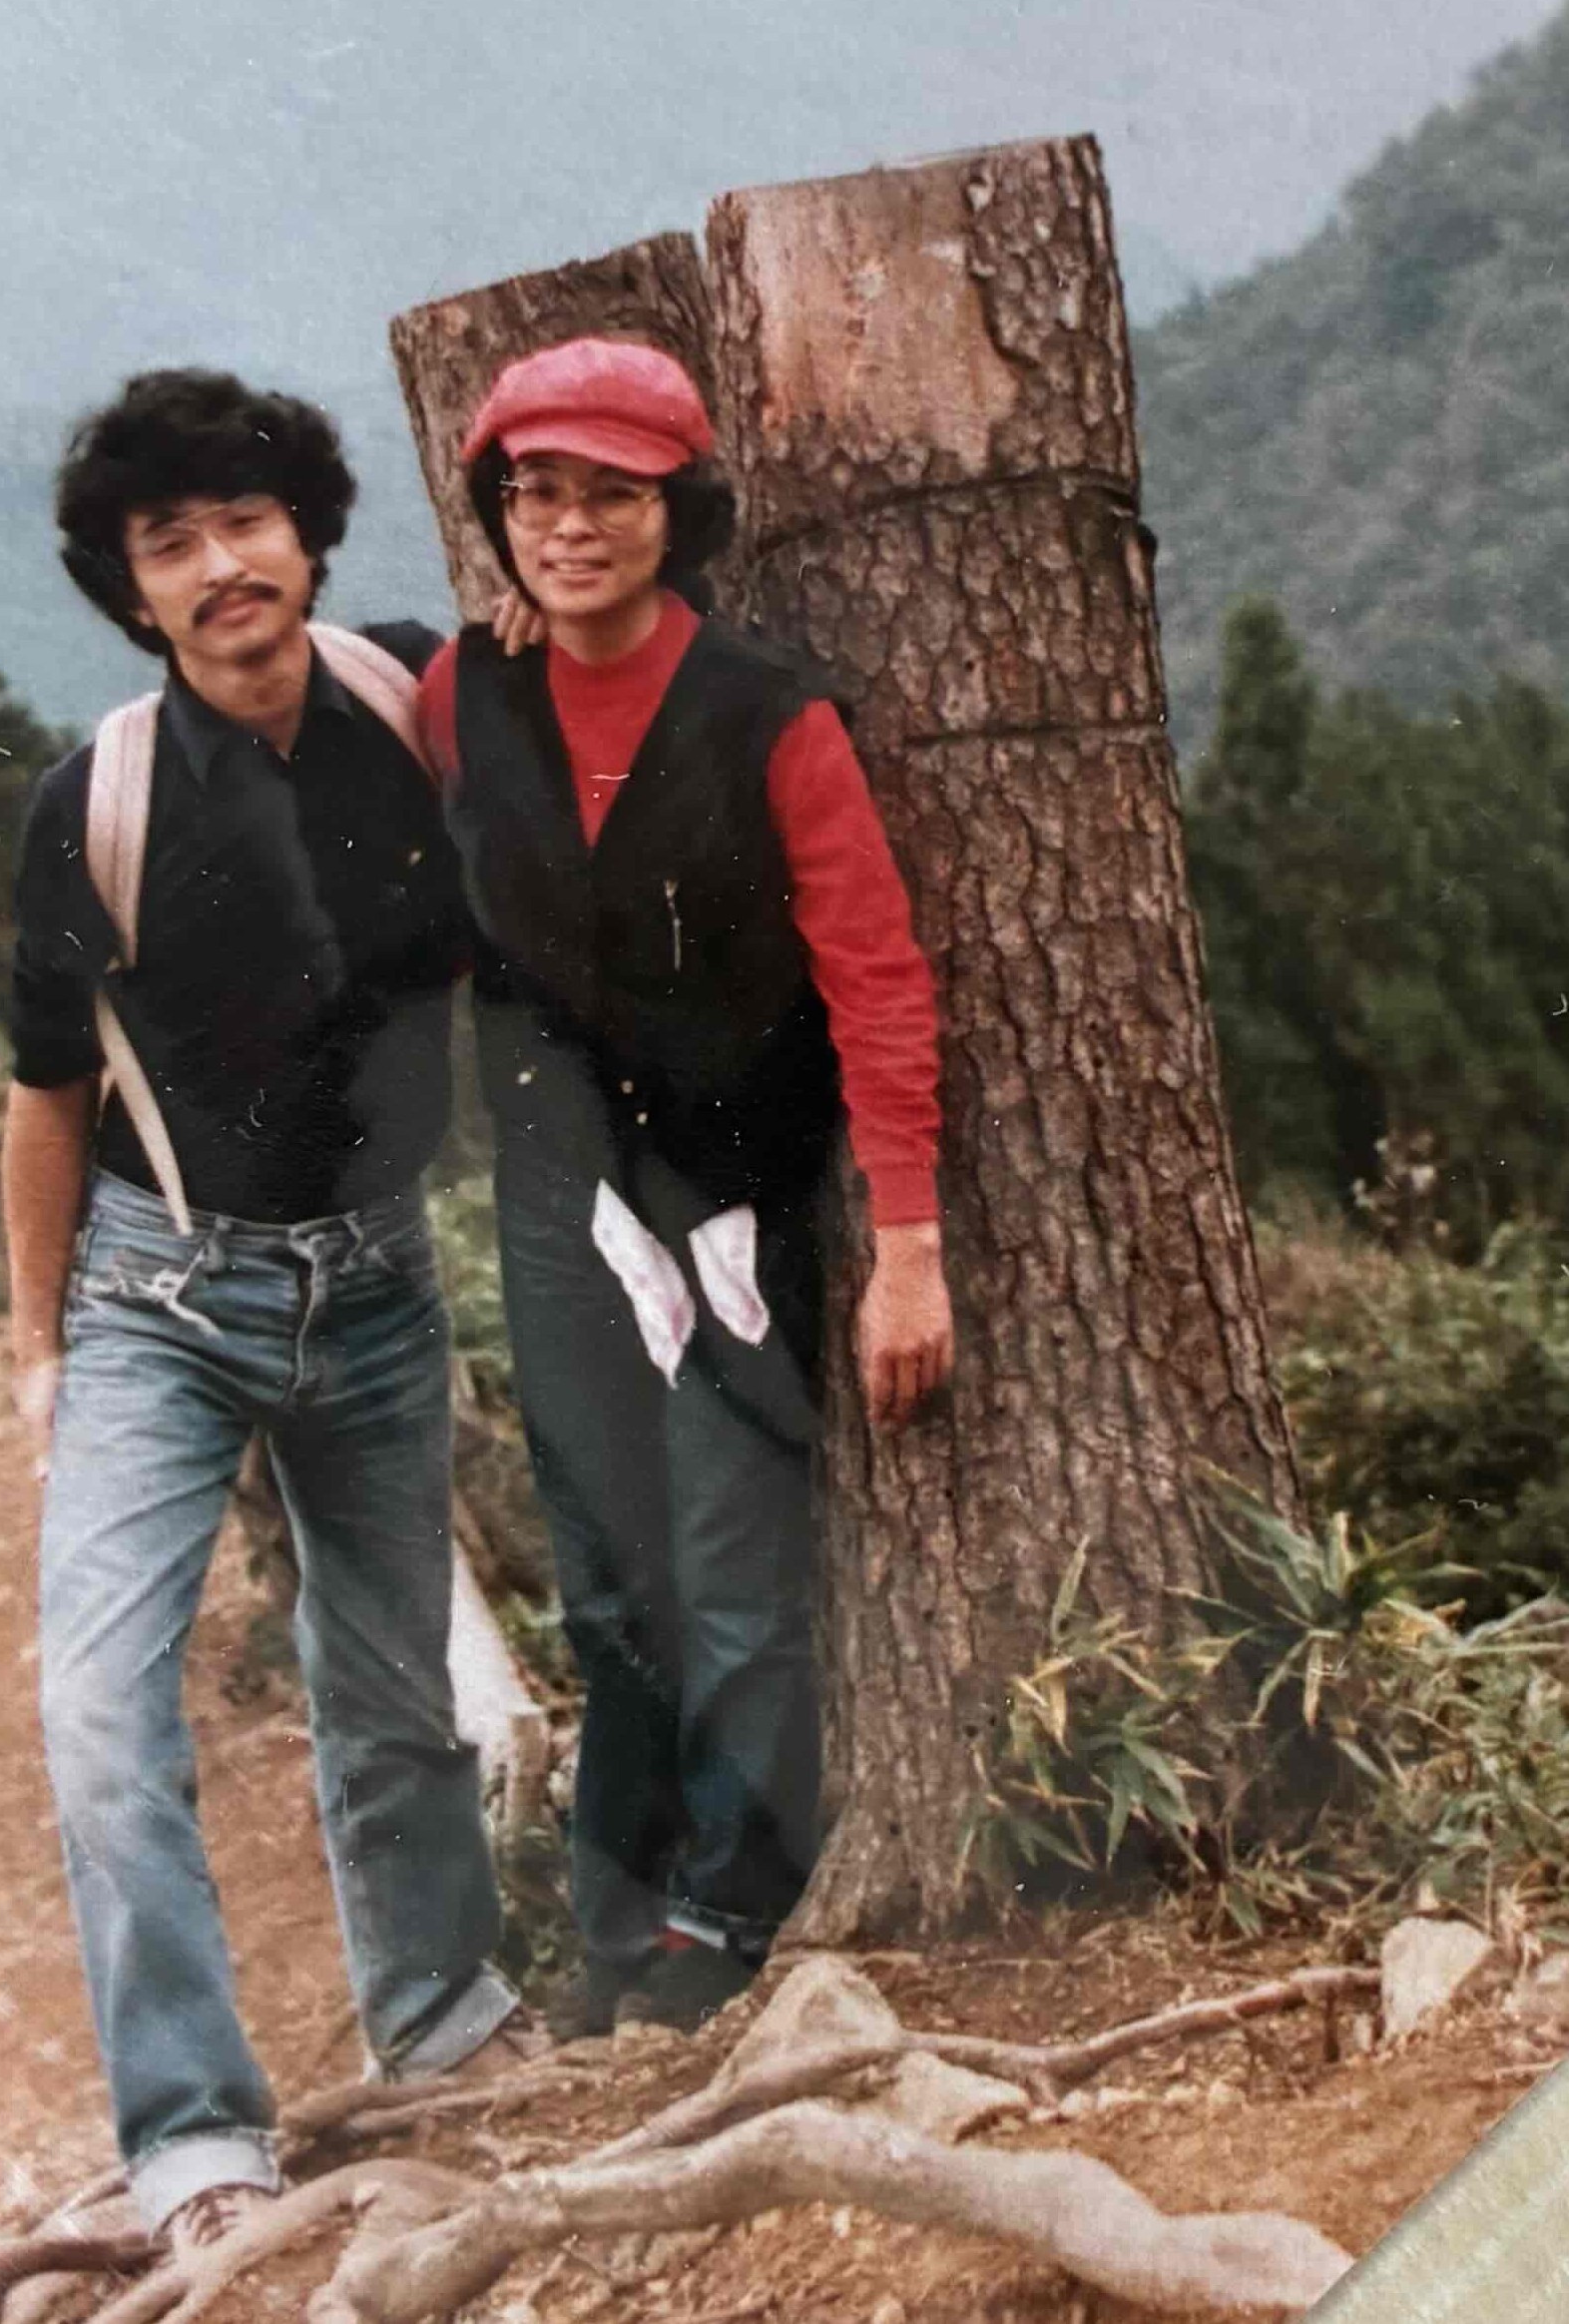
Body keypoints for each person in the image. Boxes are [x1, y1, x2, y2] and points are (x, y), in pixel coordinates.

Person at [3, 368, 532, 2258]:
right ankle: (191, 2142)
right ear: (132, 591)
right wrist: (37, 1352)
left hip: (376, 1276)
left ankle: (443, 2022)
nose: (222, 564)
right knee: (95, 1708)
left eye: (248, 521)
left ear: (307, 535)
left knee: (390, 1687)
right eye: (173, 543)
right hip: (158, 1295)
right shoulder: (95, 805)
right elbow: (44, 1096)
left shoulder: (415, 703)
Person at [417, 336, 954, 2039]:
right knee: (605, 1580)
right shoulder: (461, 695)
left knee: (734, 1576)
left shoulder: (766, 718)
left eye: (611, 494)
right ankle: (616, 1920)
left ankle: (727, 1917)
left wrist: (909, 1245)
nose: (568, 527)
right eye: (535, 493)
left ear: (679, 513)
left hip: (730, 1200)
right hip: (560, 1203)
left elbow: (874, 975)